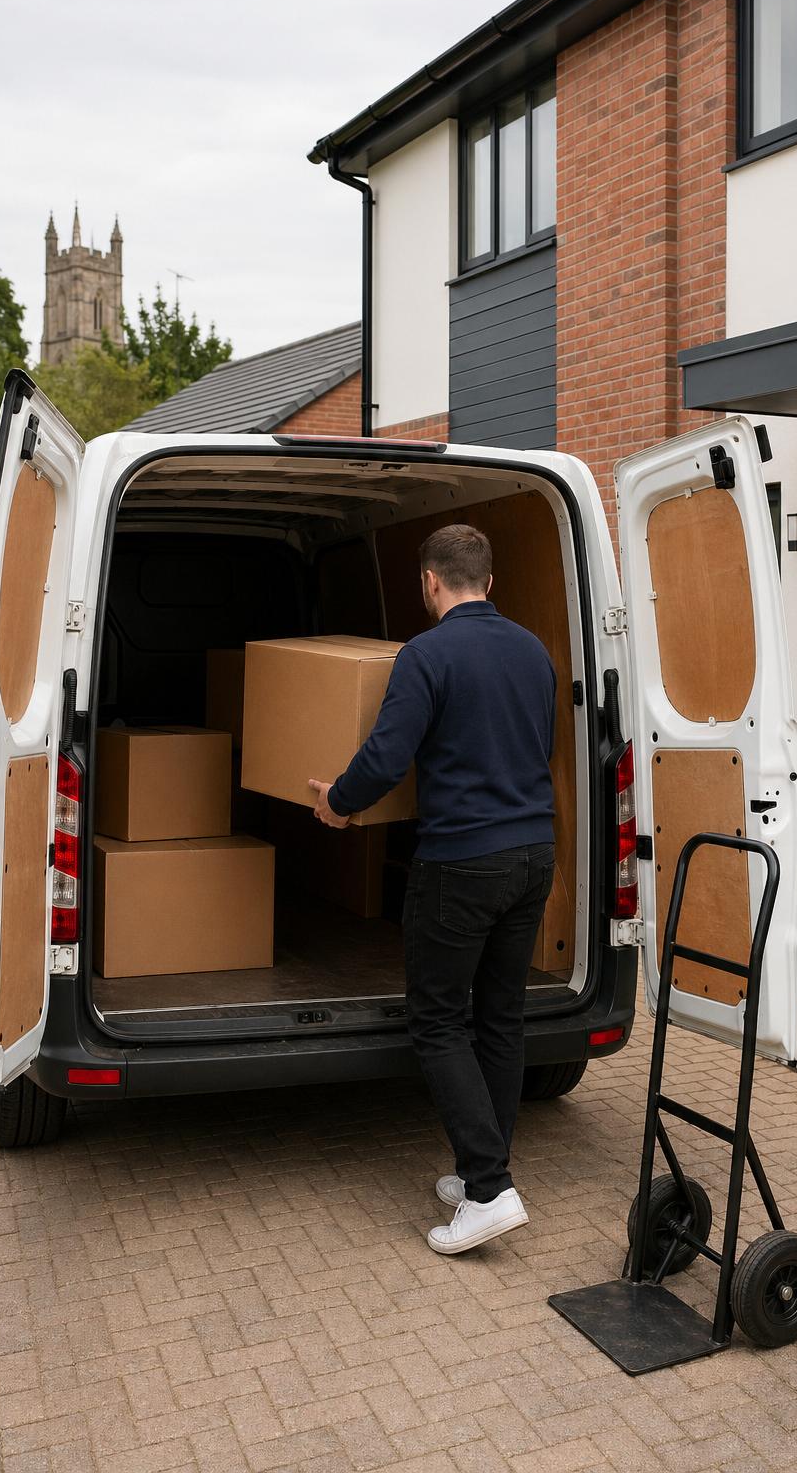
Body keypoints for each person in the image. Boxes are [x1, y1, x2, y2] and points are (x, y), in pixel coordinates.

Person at [309, 524, 556, 1256]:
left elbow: (388, 756)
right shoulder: (534, 650)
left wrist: (339, 803)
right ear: (491, 580)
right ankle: (487, 1169)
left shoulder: (425, 655)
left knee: (439, 1019)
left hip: (462, 861)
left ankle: (486, 1188)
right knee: (501, 1018)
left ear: (428, 582)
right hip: (533, 852)